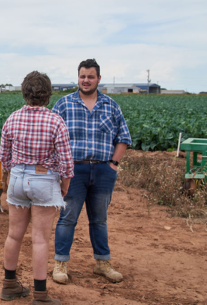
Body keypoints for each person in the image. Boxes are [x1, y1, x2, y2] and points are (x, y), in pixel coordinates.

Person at [52, 59, 132, 284]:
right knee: (67, 218)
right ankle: (60, 264)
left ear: (98, 78)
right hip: (73, 171)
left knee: (99, 220)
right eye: (82, 76)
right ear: (78, 78)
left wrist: (113, 164)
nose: (85, 80)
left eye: (90, 76)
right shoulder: (64, 104)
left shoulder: (111, 105)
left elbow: (123, 137)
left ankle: (102, 263)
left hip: (103, 170)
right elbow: (51, 138)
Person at [0, 71, 73, 304]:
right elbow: (66, 162)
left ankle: (9, 285)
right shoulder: (55, 121)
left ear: (24, 93)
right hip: (44, 179)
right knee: (40, 239)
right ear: (48, 95)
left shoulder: (12, 118)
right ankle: (40, 296)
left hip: (18, 178)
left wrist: (15, 172)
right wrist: (64, 186)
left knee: (14, 235)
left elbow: (4, 156)